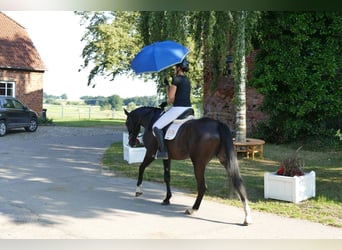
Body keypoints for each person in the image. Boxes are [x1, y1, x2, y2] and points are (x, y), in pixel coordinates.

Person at [152, 58, 192, 159]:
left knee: (156, 126)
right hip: (188, 108)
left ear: (179, 68)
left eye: (175, 67)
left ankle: (163, 151)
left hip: (178, 109)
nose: (174, 68)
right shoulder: (187, 80)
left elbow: (170, 98)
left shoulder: (176, 79)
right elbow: (173, 99)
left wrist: (167, 85)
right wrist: (167, 85)